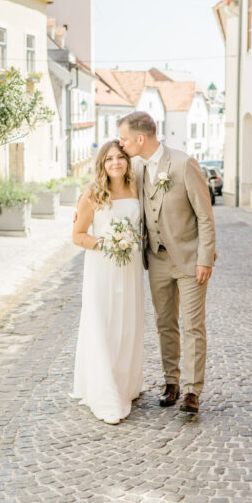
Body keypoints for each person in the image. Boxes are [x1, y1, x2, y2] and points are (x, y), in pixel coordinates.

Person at [118, 112, 216, 414]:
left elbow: (205, 216)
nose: (121, 145)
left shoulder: (184, 164)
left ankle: (192, 391)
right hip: (156, 259)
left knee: (193, 325)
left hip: (189, 259)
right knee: (165, 324)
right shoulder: (135, 167)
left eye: (124, 139)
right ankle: (171, 383)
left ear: (141, 139)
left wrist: (205, 258)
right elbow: (106, 183)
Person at [71, 140, 145, 424]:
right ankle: (106, 392)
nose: (115, 163)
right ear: (101, 164)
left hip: (130, 269)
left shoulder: (136, 187)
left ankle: (125, 383)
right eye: (109, 159)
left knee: (127, 325)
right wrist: (107, 244)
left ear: (127, 161)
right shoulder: (92, 193)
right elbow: (78, 235)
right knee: (103, 324)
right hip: (103, 267)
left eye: (120, 157)